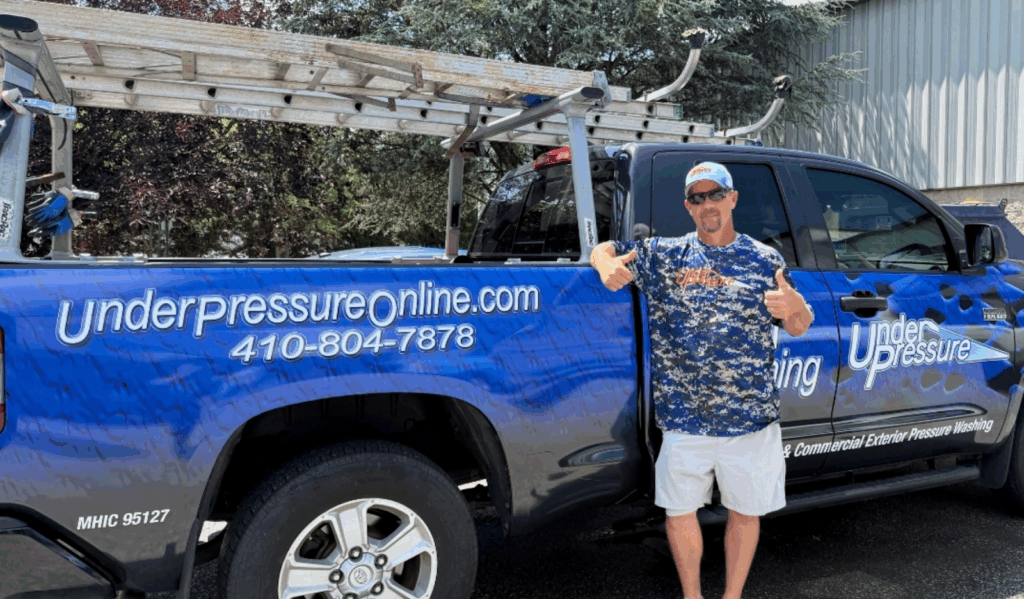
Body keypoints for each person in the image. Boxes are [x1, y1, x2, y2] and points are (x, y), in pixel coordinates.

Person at [590, 162, 813, 599]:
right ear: (688, 207)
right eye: (697, 197)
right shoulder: (664, 255)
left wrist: (793, 306)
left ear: (732, 199)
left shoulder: (766, 259)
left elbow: (801, 325)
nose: (707, 204)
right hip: (684, 418)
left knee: (746, 513)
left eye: (716, 194)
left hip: (750, 419)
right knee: (679, 512)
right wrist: (603, 265)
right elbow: (606, 247)